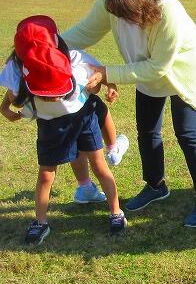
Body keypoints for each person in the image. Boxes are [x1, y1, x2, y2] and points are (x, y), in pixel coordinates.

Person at [60, 0, 196, 228]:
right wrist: (47, 46)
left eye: (125, 14)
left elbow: (158, 67)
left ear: (140, 2)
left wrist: (107, 73)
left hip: (183, 71)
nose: (120, 19)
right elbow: (85, 32)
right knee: (147, 130)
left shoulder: (169, 11)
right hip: (145, 70)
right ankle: (156, 185)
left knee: (187, 132)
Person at [1, 16, 126, 245]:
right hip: (50, 126)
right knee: (46, 175)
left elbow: (101, 73)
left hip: (83, 118)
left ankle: (116, 212)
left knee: (99, 165)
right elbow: (13, 92)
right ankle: (40, 223)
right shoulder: (16, 67)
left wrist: (110, 86)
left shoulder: (75, 61)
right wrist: (5, 107)